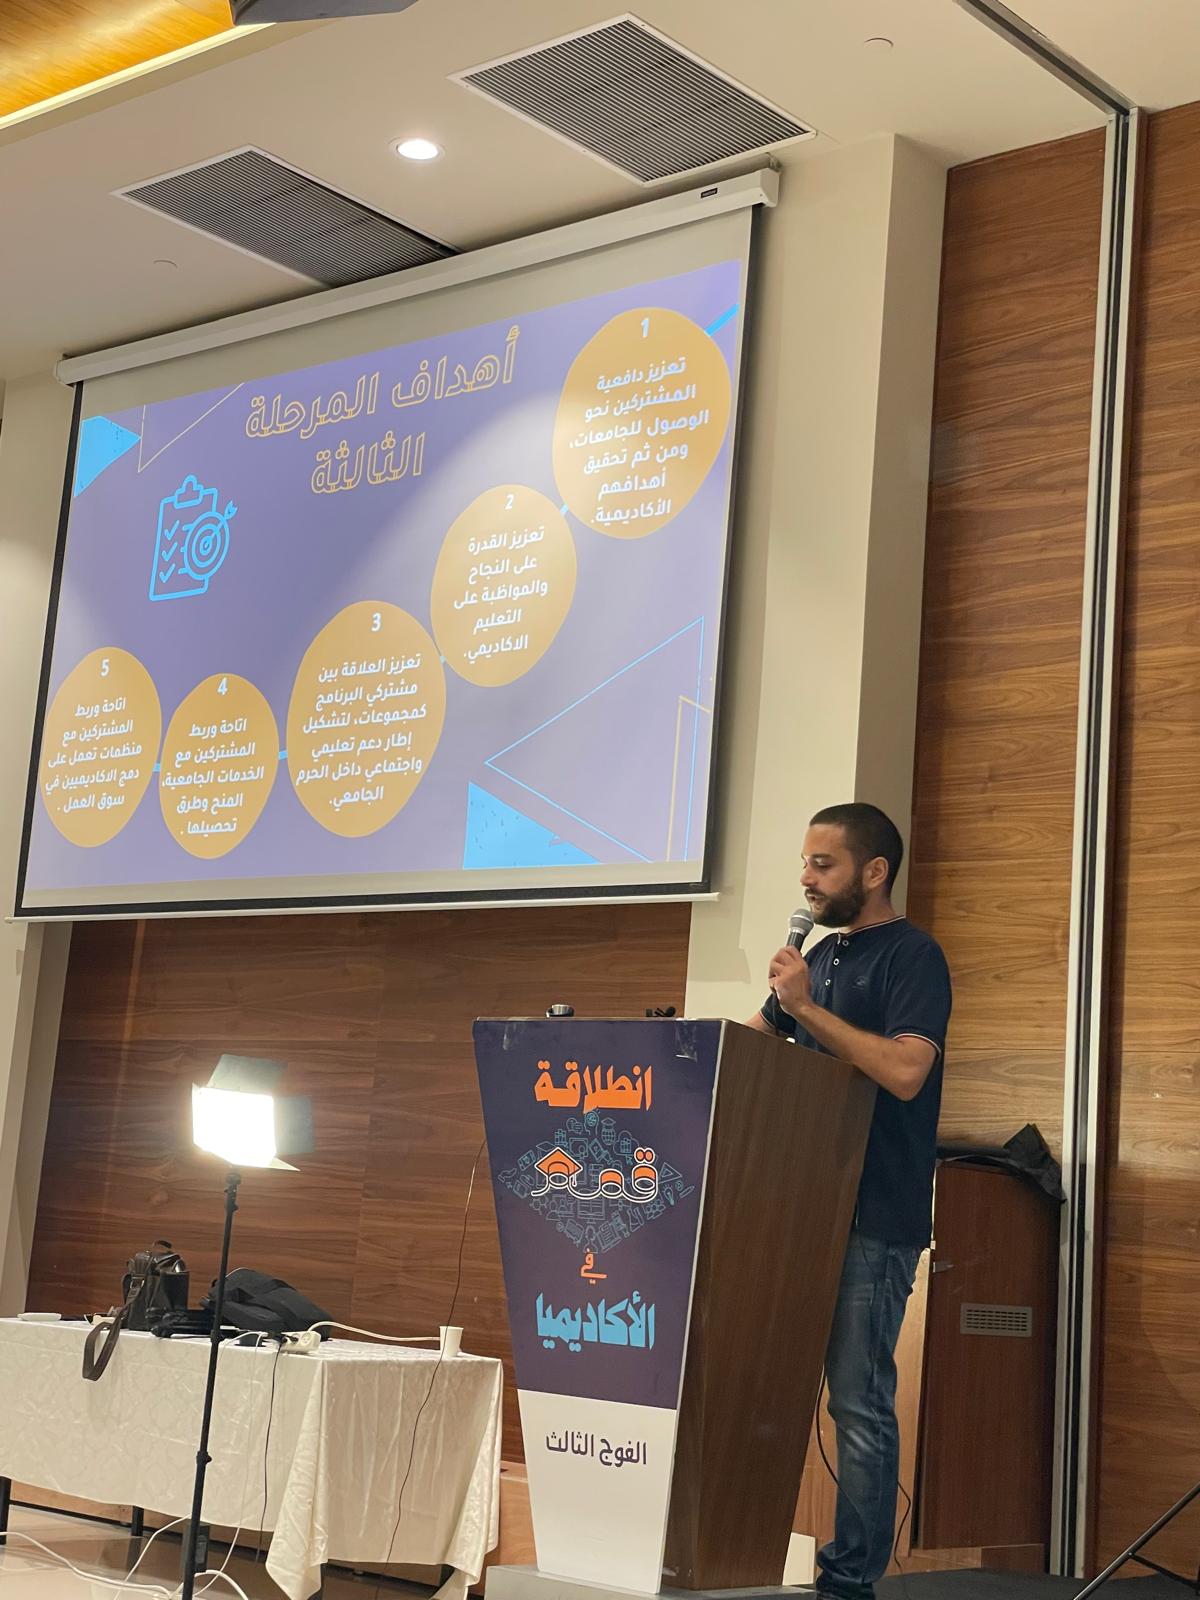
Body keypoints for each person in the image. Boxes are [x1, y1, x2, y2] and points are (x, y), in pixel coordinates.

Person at [747, 802, 952, 1600]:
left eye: (822, 864)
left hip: (874, 1213)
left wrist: (805, 1008)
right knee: (769, 1385)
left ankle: (849, 1581)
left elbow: (904, 1072)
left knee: (859, 1402)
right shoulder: (817, 957)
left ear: (874, 871)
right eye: (805, 862)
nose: (805, 878)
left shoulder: (913, 955)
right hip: (800, 1208)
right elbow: (753, 1044)